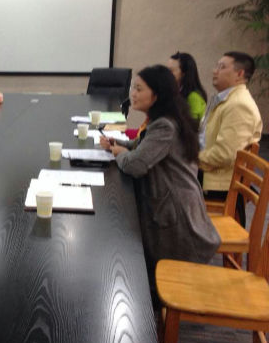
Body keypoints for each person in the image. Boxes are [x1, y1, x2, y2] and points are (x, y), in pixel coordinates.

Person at [100, 65, 220, 278]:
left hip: (177, 218)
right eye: (133, 88)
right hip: (170, 202)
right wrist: (118, 144)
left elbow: (135, 165)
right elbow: (142, 145)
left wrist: (119, 153)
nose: (133, 94)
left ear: (157, 94)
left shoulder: (165, 126)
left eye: (139, 89)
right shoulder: (163, 119)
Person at [198, 51, 262, 225]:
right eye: (216, 66)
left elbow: (224, 155)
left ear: (239, 74)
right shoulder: (225, 100)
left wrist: (190, 159)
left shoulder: (239, 105)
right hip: (208, 171)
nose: (215, 71)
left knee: (159, 183)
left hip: (218, 183)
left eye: (222, 67)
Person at [167, 52, 207, 123]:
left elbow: (192, 126)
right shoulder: (172, 92)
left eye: (171, 71)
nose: (166, 74)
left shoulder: (193, 97)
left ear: (183, 74)